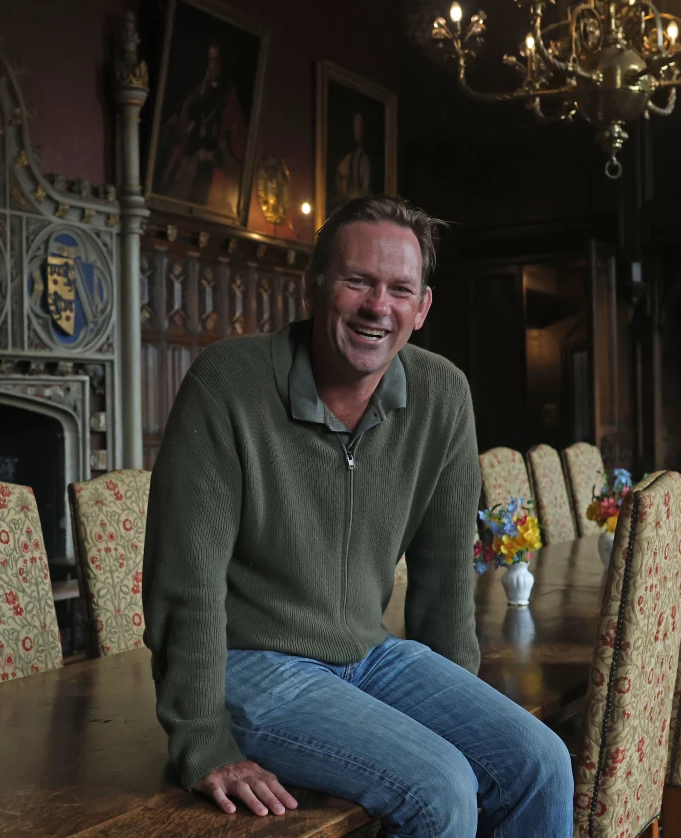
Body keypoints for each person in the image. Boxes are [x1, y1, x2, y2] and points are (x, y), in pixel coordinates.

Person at [143, 196, 573, 837]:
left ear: (422, 308)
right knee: (439, 790)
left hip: (370, 655)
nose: (379, 306)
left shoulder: (441, 394)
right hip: (250, 663)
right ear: (314, 285)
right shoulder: (227, 383)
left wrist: (454, 710)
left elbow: (444, 576)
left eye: (400, 289)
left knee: (542, 762)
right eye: (358, 282)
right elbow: (186, 582)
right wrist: (202, 741)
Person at [155, 42, 247, 215]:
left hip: (211, 169)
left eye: (216, 61)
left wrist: (211, 155)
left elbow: (234, 143)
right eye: (210, 60)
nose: (212, 66)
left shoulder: (229, 96)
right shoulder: (199, 91)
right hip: (189, 160)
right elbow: (184, 119)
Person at [334, 112, 371, 206]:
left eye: (360, 127)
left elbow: (366, 188)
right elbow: (340, 175)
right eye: (356, 127)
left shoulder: (365, 159)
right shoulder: (348, 158)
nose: (358, 131)